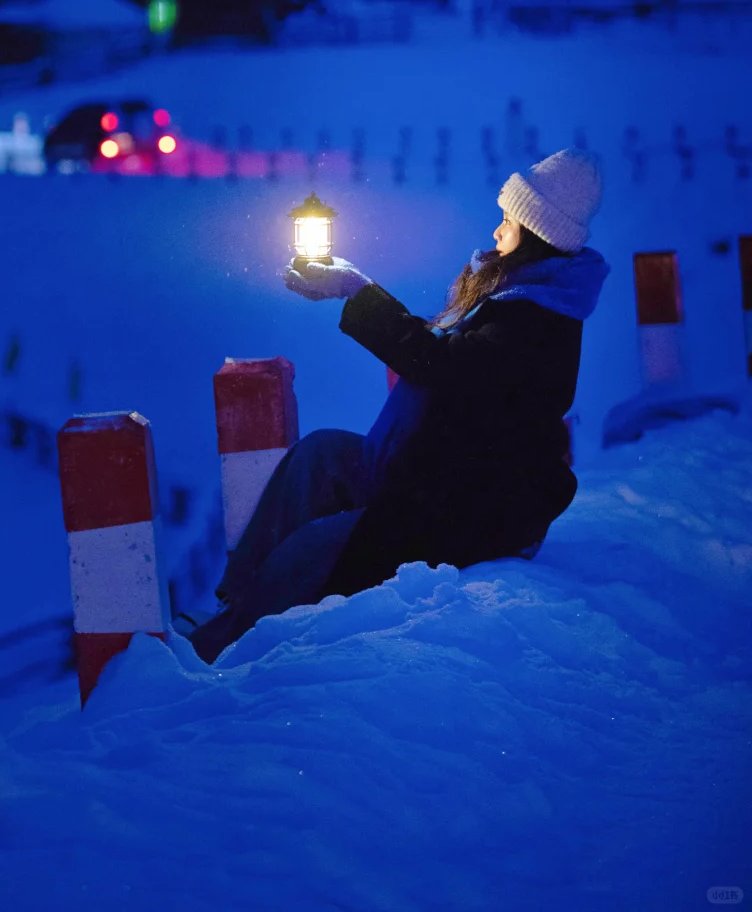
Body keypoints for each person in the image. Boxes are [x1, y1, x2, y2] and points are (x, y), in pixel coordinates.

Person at [186, 147, 610, 663]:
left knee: (313, 551)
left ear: (537, 234)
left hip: (467, 506)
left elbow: (441, 365)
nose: (497, 231)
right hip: (426, 472)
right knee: (319, 456)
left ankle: (226, 652)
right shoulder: (518, 296)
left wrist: (358, 290)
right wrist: (357, 292)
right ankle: (237, 606)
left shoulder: (538, 321)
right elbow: (443, 359)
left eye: (509, 221)